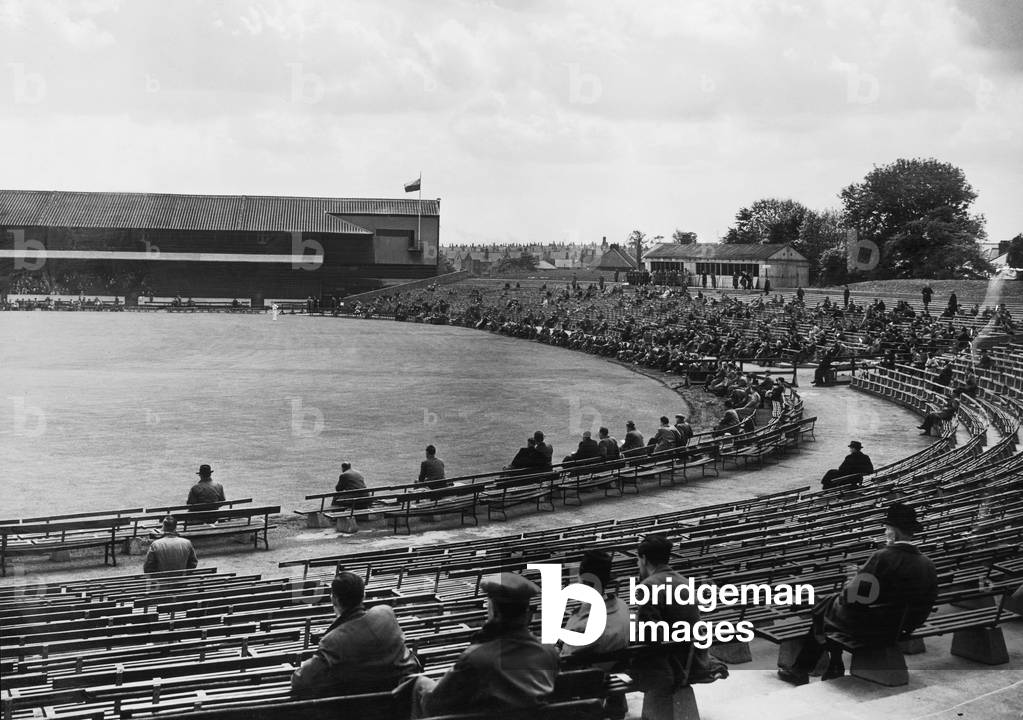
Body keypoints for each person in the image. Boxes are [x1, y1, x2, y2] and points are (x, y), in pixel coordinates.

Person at [777, 503, 938, 685]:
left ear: (895, 533)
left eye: (887, 529)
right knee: (827, 607)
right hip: (903, 625)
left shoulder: (882, 557)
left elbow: (849, 598)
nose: (885, 533)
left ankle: (808, 668)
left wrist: (847, 585)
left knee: (823, 610)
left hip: (874, 627)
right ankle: (829, 664)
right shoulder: (927, 564)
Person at [412, 572, 559, 717]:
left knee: (420, 684)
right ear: (528, 615)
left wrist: (422, 686)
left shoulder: (477, 658)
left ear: (494, 612)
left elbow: (434, 706)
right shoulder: (549, 652)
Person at [632, 534, 726, 715]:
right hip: (692, 658)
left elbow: (648, 636)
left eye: (638, 560)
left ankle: (613, 706)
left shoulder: (649, 586)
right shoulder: (684, 582)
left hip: (669, 664)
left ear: (643, 559)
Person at [291, 572, 420, 698]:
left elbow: (300, 680)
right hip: (399, 701)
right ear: (363, 596)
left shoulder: (333, 641)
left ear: (334, 599)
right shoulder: (386, 614)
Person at [560, 550, 630, 720]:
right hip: (611, 671)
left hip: (585, 681)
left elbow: (564, 659)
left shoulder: (583, 624)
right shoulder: (622, 607)